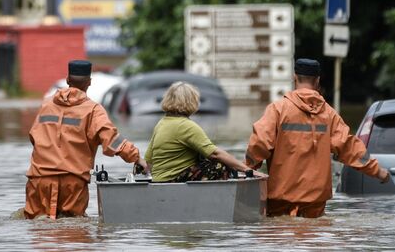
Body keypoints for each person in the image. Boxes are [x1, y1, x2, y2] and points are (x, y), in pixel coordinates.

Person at [245, 58, 390, 218]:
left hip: (280, 202)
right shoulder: (329, 115)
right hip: (315, 204)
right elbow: (350, 148)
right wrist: (378, 171)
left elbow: (259, 144)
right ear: (318, 81)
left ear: (294, 77)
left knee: (281, 237)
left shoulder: (278, 110)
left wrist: (248, 167)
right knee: (314, 238)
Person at [24, 60, 149, 219]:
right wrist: (137, 157)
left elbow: (33, 137)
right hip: (72, 182)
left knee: (39, 233)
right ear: (89, 82)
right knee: (73, 235)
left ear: (68, 79)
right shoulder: (93, 110)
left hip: (39, 179)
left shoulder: (46, 104)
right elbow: (112, 141)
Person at [145, 81, 267, 182]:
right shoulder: (186, 126)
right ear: (191, 101)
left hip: (159, 180)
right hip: (174, 181)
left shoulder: (161, 123)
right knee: (220, 165)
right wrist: (248, 170)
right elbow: (215, 154)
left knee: (205, 159)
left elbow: (149, 160)